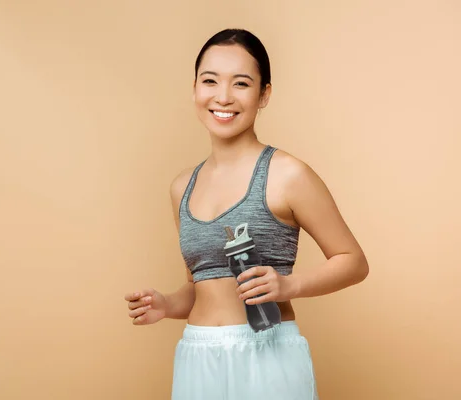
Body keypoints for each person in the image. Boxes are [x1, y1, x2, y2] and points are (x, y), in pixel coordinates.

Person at [124, 28, 369, 400]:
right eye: (210, 81)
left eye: (241, 83)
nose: (223, 97)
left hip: (268, 353)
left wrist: (288, 286)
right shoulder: (182, 187)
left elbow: (353, 262)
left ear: (263, 94)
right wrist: (167, 304)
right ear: (195, 88)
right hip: (198, 354)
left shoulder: (288, 175)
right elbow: (200, 286)